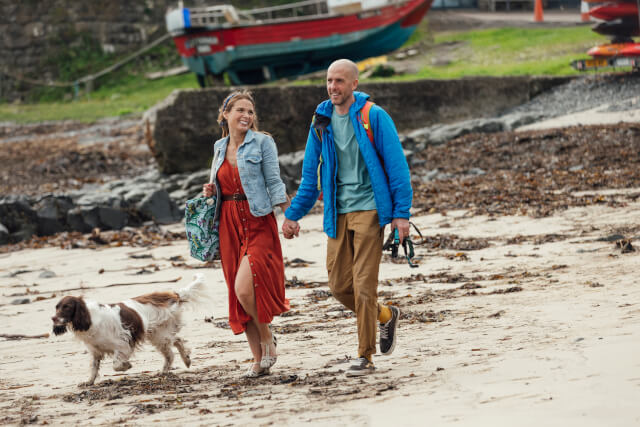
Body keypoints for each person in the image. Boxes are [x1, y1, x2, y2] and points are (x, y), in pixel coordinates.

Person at [282, 59, 412, 377]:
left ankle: (365, 356)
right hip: (336, 212)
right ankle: (385, 315)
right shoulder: (321, 121)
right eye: (329, 80)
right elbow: (310, 177)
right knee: (340, 286)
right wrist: (292, 215)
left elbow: (397, 168)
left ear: (354, 84)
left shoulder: (374, 117)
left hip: (369, 209)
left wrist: (401, 215)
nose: (333, 87)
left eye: (339, 81)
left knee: (364, 286)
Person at [203, 90, 290, 378]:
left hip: (257, 220)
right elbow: (219, 182)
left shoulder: (263, 142)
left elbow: (274, 181)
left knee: (245, 287)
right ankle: (257, 359)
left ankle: (267, 337)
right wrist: (212, 190)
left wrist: (288, 214)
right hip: (228, 224)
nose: (246, 116)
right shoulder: (218, 147)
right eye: (240, 110)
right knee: (238, 294)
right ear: (225, 115)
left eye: (250, 112)